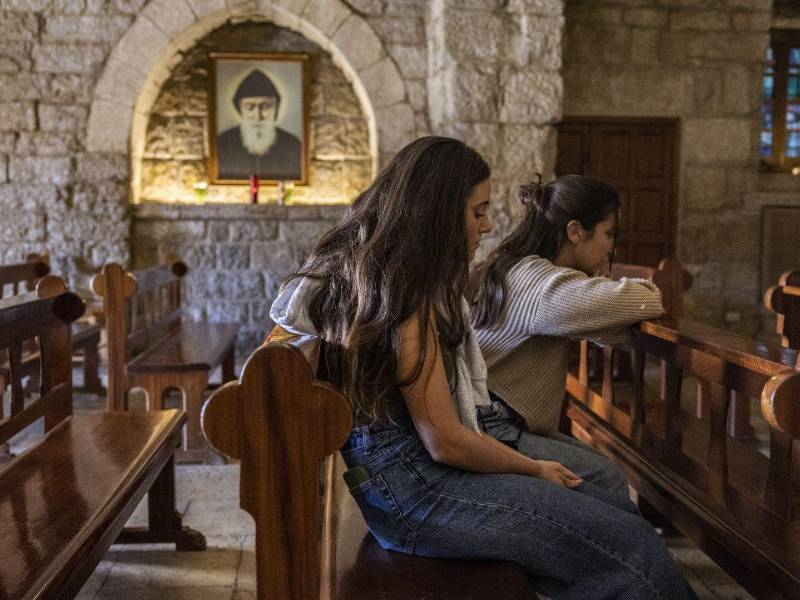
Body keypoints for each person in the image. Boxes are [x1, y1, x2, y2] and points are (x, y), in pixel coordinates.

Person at [270, 137, 696, 599]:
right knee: (630, 544)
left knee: (608, 508)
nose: (487, 225)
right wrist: (534, 468)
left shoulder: (381, 279)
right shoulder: (408, 299)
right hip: (418, 497)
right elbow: (445, 442)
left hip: (400, 486)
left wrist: (535, 469)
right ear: (437, 212)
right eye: (477, 212)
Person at [469, 175, 664, 495]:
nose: (611, 247)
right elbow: (644, 301)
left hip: (493, 418)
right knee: (609, 478)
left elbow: (605, 331)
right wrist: (647, 289)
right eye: (608, 234)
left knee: (607, 471)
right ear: (575, 232)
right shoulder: (540, 284)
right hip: (493, 425)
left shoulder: (521, 268)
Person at [216, 69, 302, 181]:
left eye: (265, 106)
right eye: (249, 107)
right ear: (239, 109)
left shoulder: (293, 146)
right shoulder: (223, 144)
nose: (258, 116)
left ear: (276, 109)